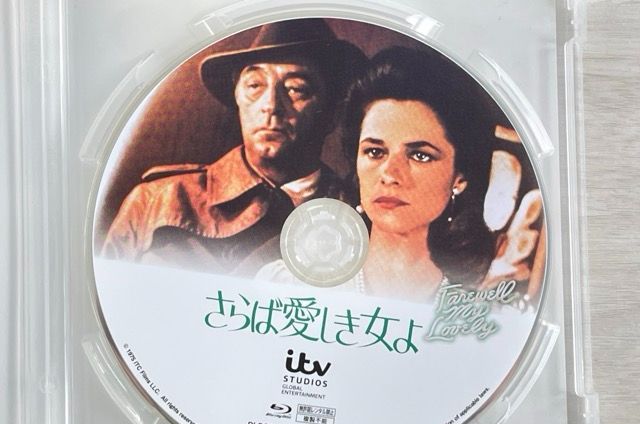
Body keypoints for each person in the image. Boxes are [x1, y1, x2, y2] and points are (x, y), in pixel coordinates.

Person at [101, 19, 365, 275]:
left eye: (296, 89)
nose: (271, 106)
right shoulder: (158, 200)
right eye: (255, 85)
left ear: (332, 114)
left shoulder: (361, 214)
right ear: (238, 98)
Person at [258, 47, 497, 302]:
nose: (390, 174)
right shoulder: (288, 286)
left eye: (419, 155)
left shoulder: (480, 309)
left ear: (459, 177)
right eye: (375, 152)